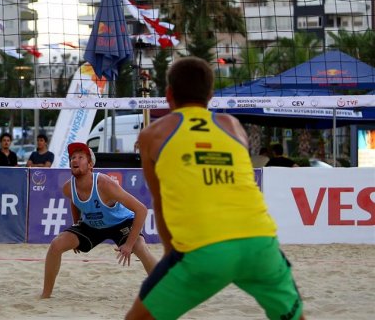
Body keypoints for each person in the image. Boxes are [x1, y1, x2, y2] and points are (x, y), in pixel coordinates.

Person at [126, 57, 305, 320]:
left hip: (203, 251)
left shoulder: (152, 134)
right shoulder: (233, 127)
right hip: (260, 245)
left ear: (169, 94)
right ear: (210, 95)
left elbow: (160, 202)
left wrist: (170, 255)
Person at [40, 141, 156, 299]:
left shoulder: (104, 184)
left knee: (140, 247)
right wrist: (76, 226)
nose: (75, 160)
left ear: (90, 165)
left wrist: (128, 245)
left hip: (120, 222)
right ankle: (46, 294)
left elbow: (141, 210)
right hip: (92, 225)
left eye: (80, 157)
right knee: (56, 245)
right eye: (72, 157)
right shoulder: (68, 188)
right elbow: (75, 201)